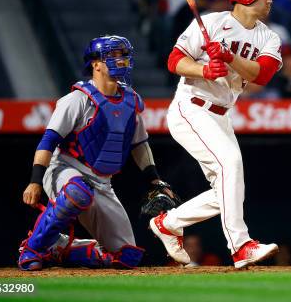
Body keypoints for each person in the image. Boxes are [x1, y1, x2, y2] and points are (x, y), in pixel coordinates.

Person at [151, 0, 282, 268]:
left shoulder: (269, 37)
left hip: (222, 114)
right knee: (231, 166)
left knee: (227, 186)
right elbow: (175, 61)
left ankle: (168, 222)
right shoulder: (212, 22)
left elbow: (262, 74)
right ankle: (241, 246)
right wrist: (205, 69)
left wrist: (228, 57)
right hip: (191, 106)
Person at [18, 36, 180, 271]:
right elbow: (49, 141)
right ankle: (32, 248)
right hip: (65, 167)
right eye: (113, 55)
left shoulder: (130, 100)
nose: (121, 60)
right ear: (96, 64)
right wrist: (34, 182)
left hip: (103, 182)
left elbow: (140, 145)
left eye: (123, 55)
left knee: (127, 257)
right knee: (78, 191)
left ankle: (59, 249)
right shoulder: (77, 99)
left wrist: (154, 179)